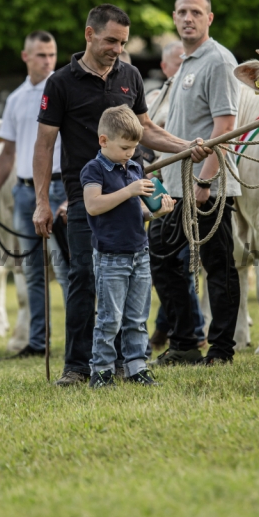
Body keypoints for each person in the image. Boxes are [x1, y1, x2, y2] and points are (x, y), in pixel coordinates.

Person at [32, 3, 209, 386]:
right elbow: (44, 145)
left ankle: (125, 364)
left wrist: (188, 145)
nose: (117, 48)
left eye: (123, 41)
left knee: (129, 284)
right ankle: (78, 368)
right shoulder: (60, 83)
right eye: (111, 40)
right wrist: (43, 201)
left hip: (132, 195)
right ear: (89, 34)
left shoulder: (129, 75)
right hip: (86, 197)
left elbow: (145, 130)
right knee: (84, 277)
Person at [149, 0, 241, 366]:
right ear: (174, 17)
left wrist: (205, 182)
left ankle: (221, 350)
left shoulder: (218, 61)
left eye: (196, 12)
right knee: (164, 260)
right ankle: (185, 343)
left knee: (218, 268)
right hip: (173, 187)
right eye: (183, 12)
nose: (188, 18)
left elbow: (226, 127)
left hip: (207, 188)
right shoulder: (185, 62)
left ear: (209, 18)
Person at [0, 30, 69, 358]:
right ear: (25, 57)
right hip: (25, 191)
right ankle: (38, 341)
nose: (48, 61)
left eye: (51, 54)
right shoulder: (15, 99)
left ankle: (77, 342)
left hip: (60, 187)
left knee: (67, 267)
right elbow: (7, 153)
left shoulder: (64, 88)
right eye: (41, 55)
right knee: (32, 269)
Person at [81, 105, 174, 387]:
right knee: (110, 319)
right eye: (124, 147)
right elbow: (93, 206)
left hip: (139, 252)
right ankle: (101, 370)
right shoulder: (94, 169)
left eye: (134, 147)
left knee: (137, 317)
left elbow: (137, 212)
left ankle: (136, 367)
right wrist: (130, 190)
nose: (130, 153)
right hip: (111, 256)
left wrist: (156, 212)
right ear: (103, 141)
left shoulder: (134, 167)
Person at [145, 40, 207, 351]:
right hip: (162, 185)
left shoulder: (190, 96)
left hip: (191, 185)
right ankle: (175, 331)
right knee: (165, 261)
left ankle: (190, 334)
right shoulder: (155, 98)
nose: (184, 64)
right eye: (178, 60)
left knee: (182, 262)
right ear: (166, 66)